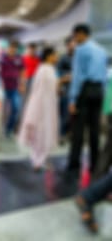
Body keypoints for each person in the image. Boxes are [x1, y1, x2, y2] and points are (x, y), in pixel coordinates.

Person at [66, 24, 108, 176]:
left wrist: (72, 99)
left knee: (78, 128)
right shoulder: (102, 50)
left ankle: (74, 163)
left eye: (76, 36)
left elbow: (77, 76)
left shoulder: (81, 49)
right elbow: (104, 76)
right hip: (99, 91)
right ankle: (94, 163)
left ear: (81, 34)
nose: (75, 40)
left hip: (85, 90)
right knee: (94, 129)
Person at [18, 47, 59, 170]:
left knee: (45, 130)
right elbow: (39, 90)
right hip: (42, 104)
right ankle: (38, 159)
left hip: (49, 104)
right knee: (40, 131)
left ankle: (40, 158)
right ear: (48, 56)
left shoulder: (50, 69)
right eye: (54, 55)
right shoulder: (43, 70)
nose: (56, 57)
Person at [0, 40, 26, 138]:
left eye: (14, 48)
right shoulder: (2, 58)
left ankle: (9, 129)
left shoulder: (19, 58)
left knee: (16, 108)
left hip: (15, 87)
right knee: (0, 110)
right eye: (11, 47)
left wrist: (22, 84)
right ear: (8, 48)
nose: (12, 49)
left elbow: (22, 71)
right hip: (3, 87)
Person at [58, 37, 75, 141]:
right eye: (70, 44)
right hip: (66, 89)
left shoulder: (78, 57)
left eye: (74, 44)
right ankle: (62, 134)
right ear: (67, 45)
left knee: (73, 114)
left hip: (76, 89)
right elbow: (58, 73)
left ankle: (70, 133)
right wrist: (66, 77)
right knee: (65, 112)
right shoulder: (63, 58)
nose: (72, 46)